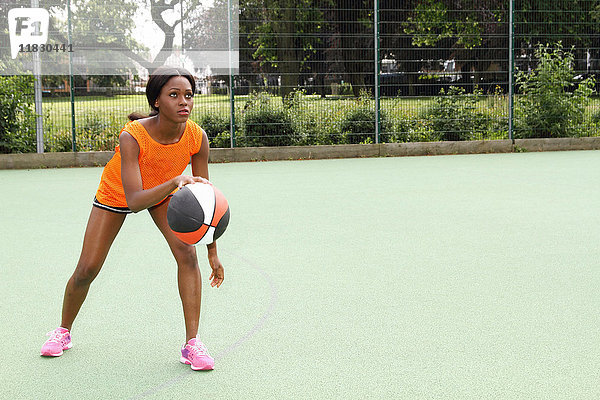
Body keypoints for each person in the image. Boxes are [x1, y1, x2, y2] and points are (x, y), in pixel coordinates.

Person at [40, 66, 224, 371]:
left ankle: (193, 344)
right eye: (174, 95)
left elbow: (207, 201)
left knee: (187, 256)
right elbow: (136, 200)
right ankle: (62, 332)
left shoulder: (196, 137)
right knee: (87, 268)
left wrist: (213, 252)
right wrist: (175, 181)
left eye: (189, 95)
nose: (184, 102)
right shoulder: (132, 137)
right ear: (156, 101)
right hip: (120, 194)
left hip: (166, 192)